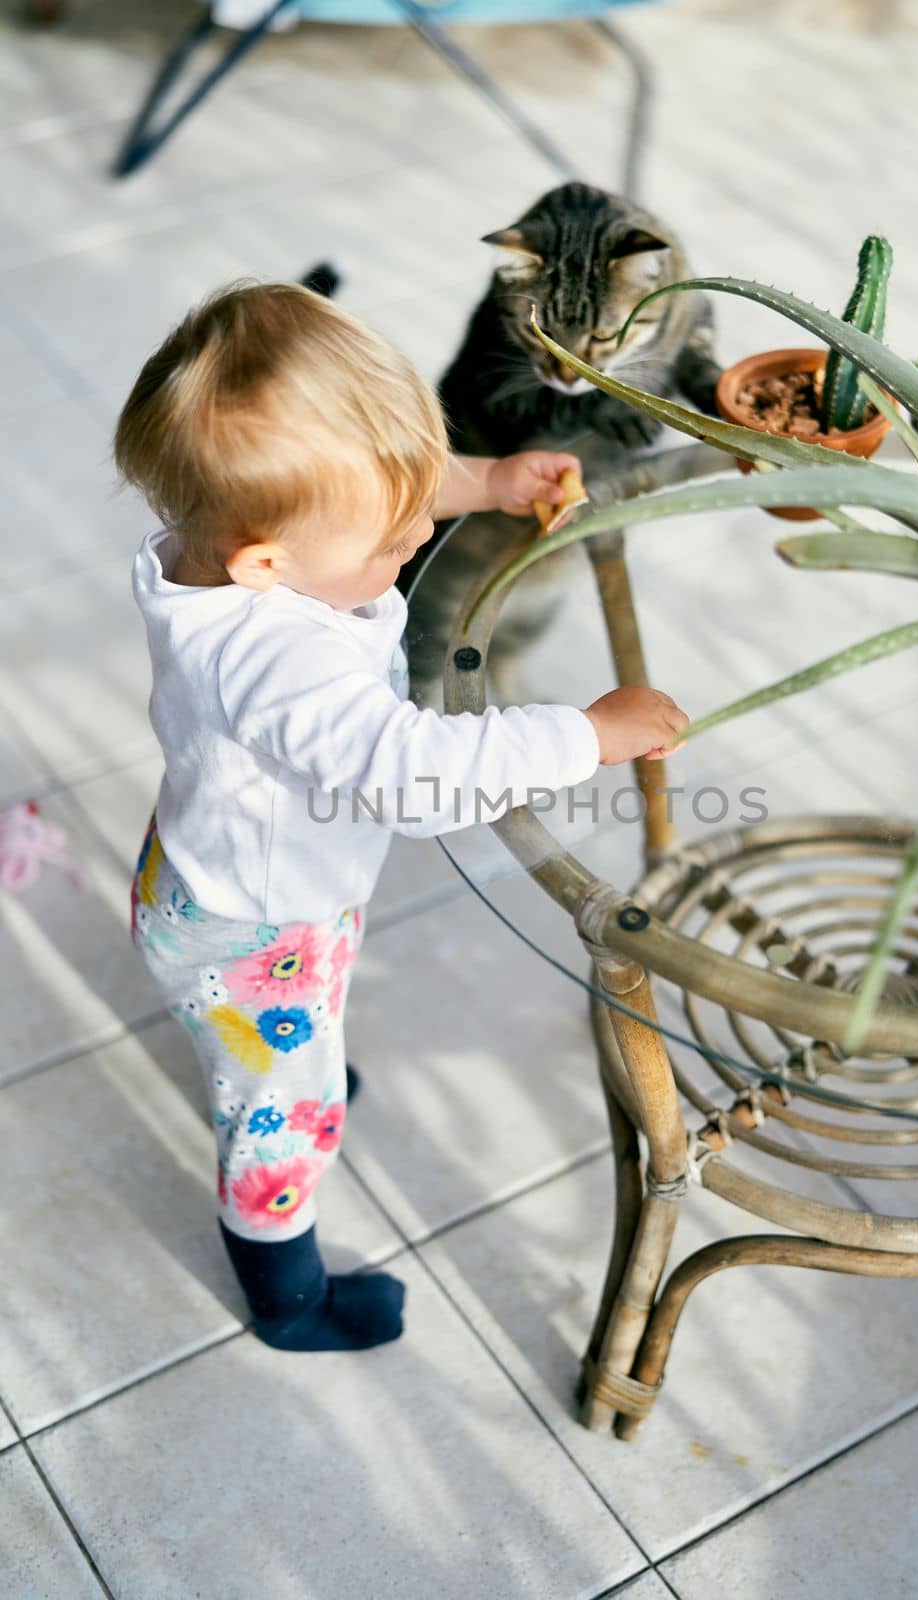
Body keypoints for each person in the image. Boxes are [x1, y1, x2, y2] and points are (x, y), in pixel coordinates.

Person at [115, 279, 689, 1354]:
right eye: (394, 540)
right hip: (255, 931)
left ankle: (293, 1038)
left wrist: (489, 480)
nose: (419, 532)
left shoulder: (230, 545)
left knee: (290, 1048)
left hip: (228, 880)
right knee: (282, 1123)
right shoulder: (275, 661)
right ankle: (288, 1298)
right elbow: (417, 775)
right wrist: (588, 734)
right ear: (268, 567)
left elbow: (391, 485)